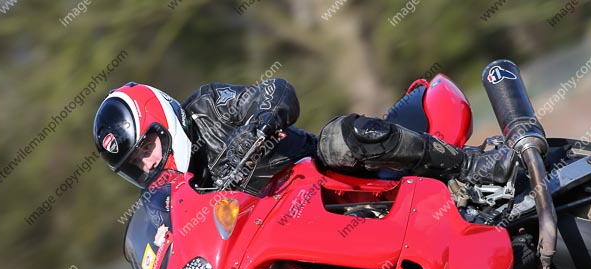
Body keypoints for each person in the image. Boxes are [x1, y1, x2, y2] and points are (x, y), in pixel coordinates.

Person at [92, 79, 518, 197]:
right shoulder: (178, 200)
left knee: (339, 138)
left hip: (326, 178)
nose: (148, 163)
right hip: (280, 233)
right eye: (136, 164)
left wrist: (258, 124)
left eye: (145, 148)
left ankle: (470, 165)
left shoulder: (208, 107)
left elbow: (274, 92)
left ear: (163, 123)